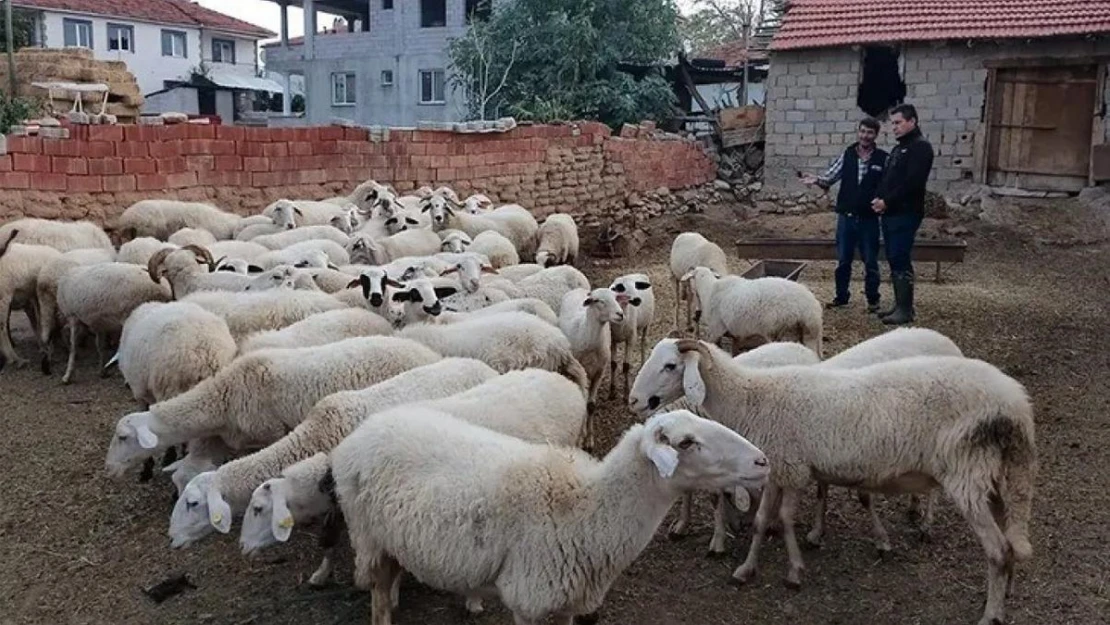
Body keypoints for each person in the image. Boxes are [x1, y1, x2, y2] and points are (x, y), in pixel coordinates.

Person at [801, 117, 887, 312]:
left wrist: (885, 200)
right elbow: (830, 177)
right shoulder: (848, 154)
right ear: (858, 132)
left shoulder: (882, 158)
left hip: (869, 219)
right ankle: (841, 297)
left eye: (870, 133)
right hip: (846, 218)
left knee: (871, 261)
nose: (865, 136)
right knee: (843, 261)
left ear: (876, 135)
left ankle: (873, 300)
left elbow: (889, 184)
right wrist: (815, 179)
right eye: (863, 131)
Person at [871, 103, 934, 325]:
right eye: (892, 124)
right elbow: (888, 179)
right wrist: (879, 198)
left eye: (898, 123)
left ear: (912, 121)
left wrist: (887, 201)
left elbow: (912, 183)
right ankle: (899, 305)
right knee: (893, 257)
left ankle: (905, 310)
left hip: (905, 212)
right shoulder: (899, 149)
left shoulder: (920, 147)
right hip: (891, 212)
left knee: (900, 256)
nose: (894, 128)